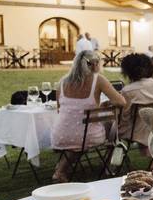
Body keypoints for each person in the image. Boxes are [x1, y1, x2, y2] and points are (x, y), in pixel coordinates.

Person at [51, 50, 126, 182]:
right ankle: (109, 166)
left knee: (82, 130)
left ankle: (61, 169)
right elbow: (121, 102)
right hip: (85, 137)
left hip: (59, 135)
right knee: (112, 127)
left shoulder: (62, 82)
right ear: (94, 64)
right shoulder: (98, 79)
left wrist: (97, 108)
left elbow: (60, 110)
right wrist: (106, 104)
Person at [117, 53, 153, 163]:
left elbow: (124, 116)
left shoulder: (128, 91)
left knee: (110, 126)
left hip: (135, 131)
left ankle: (113, 162)